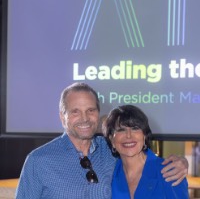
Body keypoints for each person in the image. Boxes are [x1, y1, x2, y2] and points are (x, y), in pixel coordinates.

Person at [16, 83, 188, 199]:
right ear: (62, 117)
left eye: (90, 110)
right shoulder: (38, 161)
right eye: (75, 111)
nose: (85, 118)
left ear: (98, 113)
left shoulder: (111, 152)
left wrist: (181, 162)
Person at [103, 104, 189, 199]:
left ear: (144, 135)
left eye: (135, 128)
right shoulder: (108, 173)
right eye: (121, 130)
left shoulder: (171, 171)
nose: (128, 135)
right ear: (111, 140)